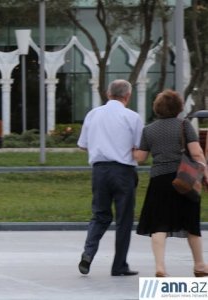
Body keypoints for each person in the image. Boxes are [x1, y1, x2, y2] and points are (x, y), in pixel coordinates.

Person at [134, 89, 208, 277]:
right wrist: (205, 172)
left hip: (159, 180)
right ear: (178, 108)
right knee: (191, 223)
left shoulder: (148, 130)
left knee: (159, 224)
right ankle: (200, 266)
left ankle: (160, 267)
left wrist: (130, 149)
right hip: (185, 179)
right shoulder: (184, 126)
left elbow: (141, 158)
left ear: (157, 108)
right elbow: (197, 153)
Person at [77, 79, 144, 276]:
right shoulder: (132, 117)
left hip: (99, 171)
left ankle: (88, 253)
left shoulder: (93, 114)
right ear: (128, 96)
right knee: (124, 219)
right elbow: (139, 146)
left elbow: (82, 144)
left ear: (108, 94)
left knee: (100, 215)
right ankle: (119, 265)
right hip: (123, 172)